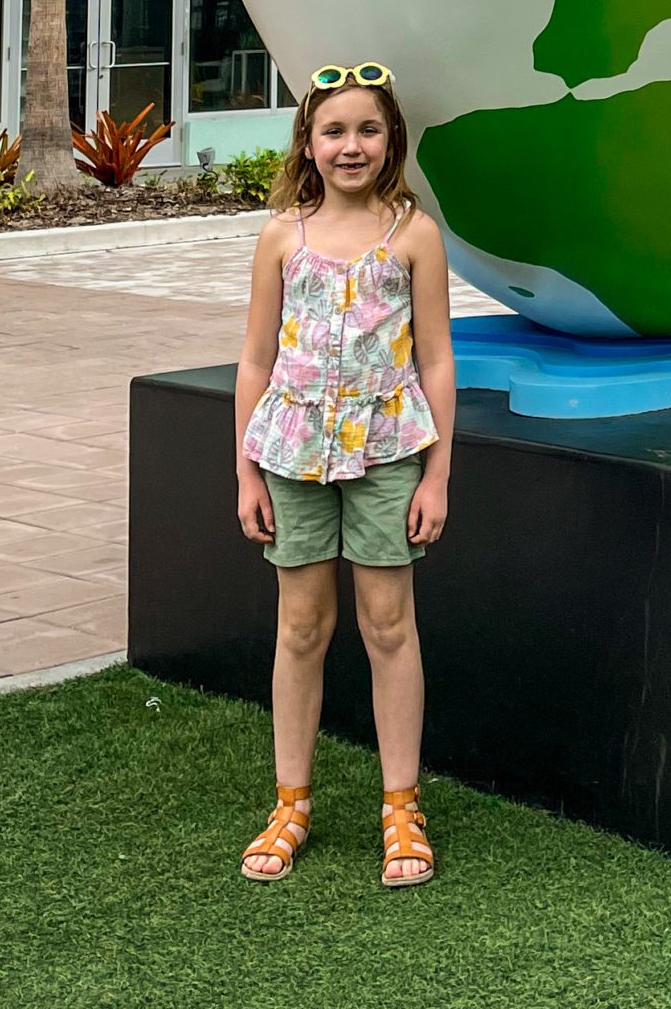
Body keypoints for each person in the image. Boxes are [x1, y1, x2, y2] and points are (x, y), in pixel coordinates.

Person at [234, 60, 455, 889]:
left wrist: (436, 476)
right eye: (334, 130)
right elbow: (256, 359)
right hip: (290, 452)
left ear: (390, 137)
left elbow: (436, 360)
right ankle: (291, 801)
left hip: (389, 452)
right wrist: (248, 474)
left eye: (367, 129)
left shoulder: (414, 237)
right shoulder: (280, 236)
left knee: (389, 624)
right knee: (301, 625)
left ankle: (402, 805)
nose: (350, 146)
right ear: (309, 142)